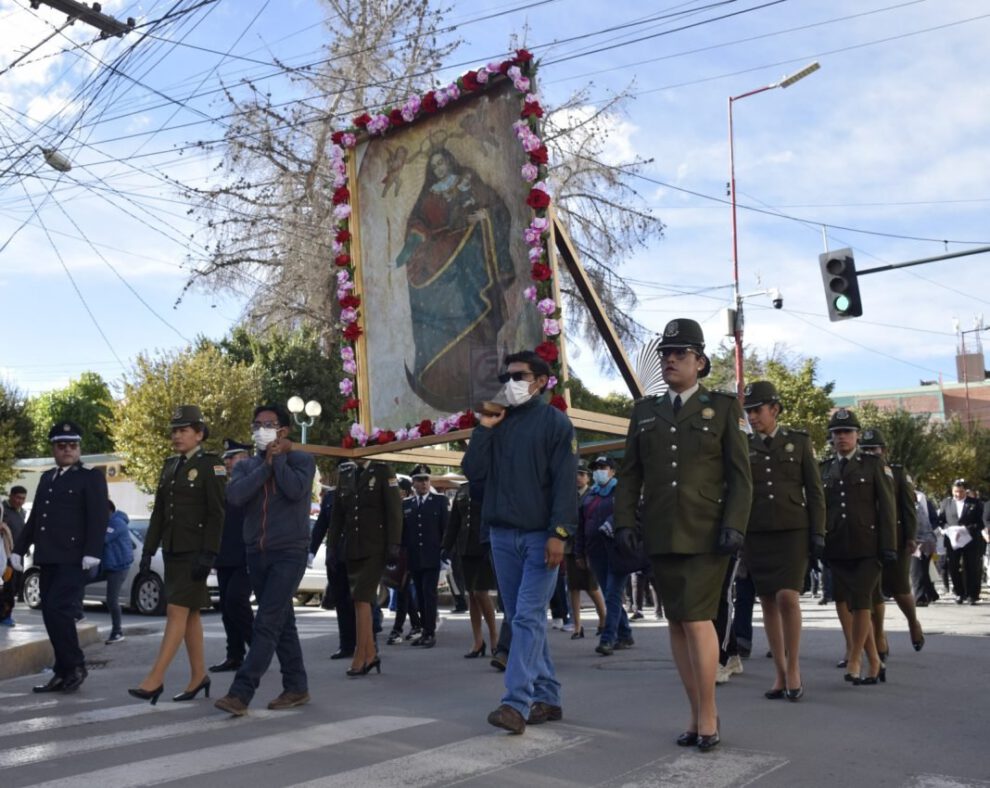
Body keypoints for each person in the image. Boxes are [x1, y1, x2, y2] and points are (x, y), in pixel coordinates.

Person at [613, 318, 752, 752]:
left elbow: (740, 478)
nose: (670, 360)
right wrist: (623, 523)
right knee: (675, 621)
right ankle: (694, 713)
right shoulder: (645, 411)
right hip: (660, 530)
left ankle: (708, 713)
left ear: (700, 361)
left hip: (707, 533)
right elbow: (630, 474)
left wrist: (735, 524)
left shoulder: (725, 408)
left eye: (680, 354)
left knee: (696, 619)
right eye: (666, 355)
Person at [462, 349, 578, 735]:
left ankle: (515, 702)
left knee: (527, 616)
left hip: (539, 538)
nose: (510, 383)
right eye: (506, 377)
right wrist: (484, 427)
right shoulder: (499, 421)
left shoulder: (555, 423)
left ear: (541, 381)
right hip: (501, 535)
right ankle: (548, 696)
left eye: (518, 376)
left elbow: (565, 482)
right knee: (521, 618)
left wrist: (559, 533)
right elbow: (473, 473)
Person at [213, 405, 315, 716]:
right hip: (256, 552)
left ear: (284, 430)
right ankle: (296, 686)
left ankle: (241, 693)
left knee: (267, 621)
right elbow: (236, 496)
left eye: (268, 425)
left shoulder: (302, 460)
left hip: (290, 551)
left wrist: (279, 459)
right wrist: (266, 465)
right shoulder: (246, 467)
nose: (261, 430)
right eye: (257, 425)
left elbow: (296, 491)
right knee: (282, 622)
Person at [396, 148, 515, 412]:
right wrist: (418, 236)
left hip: (471, 261)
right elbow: (417, 223)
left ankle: (482, 381)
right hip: (439, 261)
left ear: (451, 160)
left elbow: (496, 208)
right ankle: (443, 382)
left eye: (442, 161)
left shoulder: (469, 180)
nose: (439, 167)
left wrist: (486, 218)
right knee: (439, 323)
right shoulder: (429, 195)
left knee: (476, 318)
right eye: (434, 165)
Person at [130, 406, 225, 705]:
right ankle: (199, 676)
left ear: (199, 433)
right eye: (174, 430)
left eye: (184, 430)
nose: (177, 435)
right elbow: (159, 512)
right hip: (172, 550)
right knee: (191, 615)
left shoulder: (212, 465)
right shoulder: (170, 465)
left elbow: (217, 513)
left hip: (194, 553)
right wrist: (147, 552)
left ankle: (154, 679)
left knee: (176, 612)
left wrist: (209, 553)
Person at [742, 381, 825, 701]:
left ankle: (794, 668)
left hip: (793, 531)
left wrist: (818, 532)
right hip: (757, 532)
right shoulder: (743, 445)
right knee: (767, 603)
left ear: (774, 409)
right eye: (748, 411)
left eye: (757, 410)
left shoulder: (799, 443)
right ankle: (779, 672)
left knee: (788, 597)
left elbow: (815, 493)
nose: (752, 417)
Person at [11, 422, 108, 693]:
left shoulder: (90, 477)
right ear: (53, 448)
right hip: (49, 556)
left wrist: (92, 551)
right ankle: (63, 670)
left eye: (73, 445)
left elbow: (98, 517)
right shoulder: (47, 478)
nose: (68, 450)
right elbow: (34, 520)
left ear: (79, 448)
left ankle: (75, 665)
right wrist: (19, 549)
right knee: (51, 614)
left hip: (74, 558)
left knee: (58, 610)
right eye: (62, 445)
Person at [820, 408, 897, 686]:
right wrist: (818, 540)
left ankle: (855, 658)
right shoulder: (825, 468)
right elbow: (820, 508)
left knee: (862, 601)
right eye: (837, 433)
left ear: (856, 435)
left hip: (868, 544)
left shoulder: (873, 465)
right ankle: (875, 662)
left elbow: (887, 509)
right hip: (837, 545)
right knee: (847, 601)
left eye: (847, 432)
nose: (842, 437)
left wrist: (889, 545)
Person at [328, 457, 402, 677]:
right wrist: (331, 545)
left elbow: (394, 511)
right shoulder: (346, 474)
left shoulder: (382, 470)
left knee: (361, 598)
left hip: (376, 547)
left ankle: (361, 656)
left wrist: (394, 545)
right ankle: (370, 655)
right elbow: (337, 515)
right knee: (360, 600)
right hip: (353, 546)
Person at [859, 428, 925, 654]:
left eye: (873, 449)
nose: (869, 453)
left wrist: (910, 537)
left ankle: (912, 621)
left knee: (899, 588)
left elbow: (908, 509)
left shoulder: (896, 473)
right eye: (865, 449)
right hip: (868, 540)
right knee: (872, 592)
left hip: (896, 540)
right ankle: (879, 637)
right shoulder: (857, 472)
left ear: (884, 450)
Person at [576, 455, 634, 656]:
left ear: (613, 471)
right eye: (597, 467)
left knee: (612, 594)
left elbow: (630, 514)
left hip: (618, 551)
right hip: (596, 552)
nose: (600, 470)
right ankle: (625, 633)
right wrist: (579, 552)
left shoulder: (622, 492)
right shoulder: (591, 495)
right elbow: (581, 525)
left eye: (604, 467)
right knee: (612, 595)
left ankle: (608, 638)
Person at [209, 439, 254, 673]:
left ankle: (257, 650)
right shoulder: (225, 487)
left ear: (245, 457)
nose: (227, 461)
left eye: (232, 457)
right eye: (226, 458)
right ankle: (234, 655)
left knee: (237, 601)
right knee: (227, 608)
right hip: (226, 556)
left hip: (246, 555)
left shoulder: (252, 485)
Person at [442, 480, 499, 658]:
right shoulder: (463, 489)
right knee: (472, 596)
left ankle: (495, 638)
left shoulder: (491, 485)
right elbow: (455, 521)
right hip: (466, 547)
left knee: (481, 593)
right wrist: (446, 546)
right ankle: (478, 641)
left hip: (484, 546)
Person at [402, 464, 448, 648]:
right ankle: (424, 630)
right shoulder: (407, 504)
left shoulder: (439, 501)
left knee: (429, 594)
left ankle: (430, 632)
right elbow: (404, 533)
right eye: (420, 480)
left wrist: (446, 555)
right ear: (413, 483)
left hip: (432, 556)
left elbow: (445, 529)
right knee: (419, 595)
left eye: (426, 480)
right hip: (414, 557)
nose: (423, 484)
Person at [565, 461, 606, 640]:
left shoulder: (593, 494)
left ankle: (603, 619)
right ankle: (577, 625)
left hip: (589, 546)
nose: (578, 478)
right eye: (576, 474)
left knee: (591, 586)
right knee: (573, 587)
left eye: (582, 474)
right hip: (570, 546)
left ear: (588, 478)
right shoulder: (568, 496)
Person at [938, 480, 985, 605]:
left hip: (970, 540)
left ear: (966, 491)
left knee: (971, 567)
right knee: (953, 567)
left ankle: (972, 595)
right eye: (955, 492)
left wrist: (966, 529)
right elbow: (941, 520)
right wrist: (948, 529)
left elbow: (981, 523)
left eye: (961, 491)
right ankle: (959, 593)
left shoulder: (975, 503)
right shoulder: (946, 503)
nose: (958, 494)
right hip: (953, 541)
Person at [101, 501, 134, 644]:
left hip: (119, 567)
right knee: (81, 580)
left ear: (108, 511)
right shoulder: (110, 522)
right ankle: (77, 614)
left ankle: (117, 632)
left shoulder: (116, 523)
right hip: (108, 564)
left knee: (111, 599)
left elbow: (103, 539)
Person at [2, 485, 27, 620]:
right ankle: (5, 615)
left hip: (19, 555)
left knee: (17, 585)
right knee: (8, 585)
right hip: (6, 555)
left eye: (23, 498)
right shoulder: (3, 509)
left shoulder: (22, 512)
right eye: (17, 497)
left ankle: (7, 612)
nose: (20, 501)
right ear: (11, 496)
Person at [912, 489, 940, 605]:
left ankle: (920, 597)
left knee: (917, 569)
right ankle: (931, 593)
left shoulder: (916, 508)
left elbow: (919, 525)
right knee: (924, 569)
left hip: (922, 541)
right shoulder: (917, 506)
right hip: (926, 541)